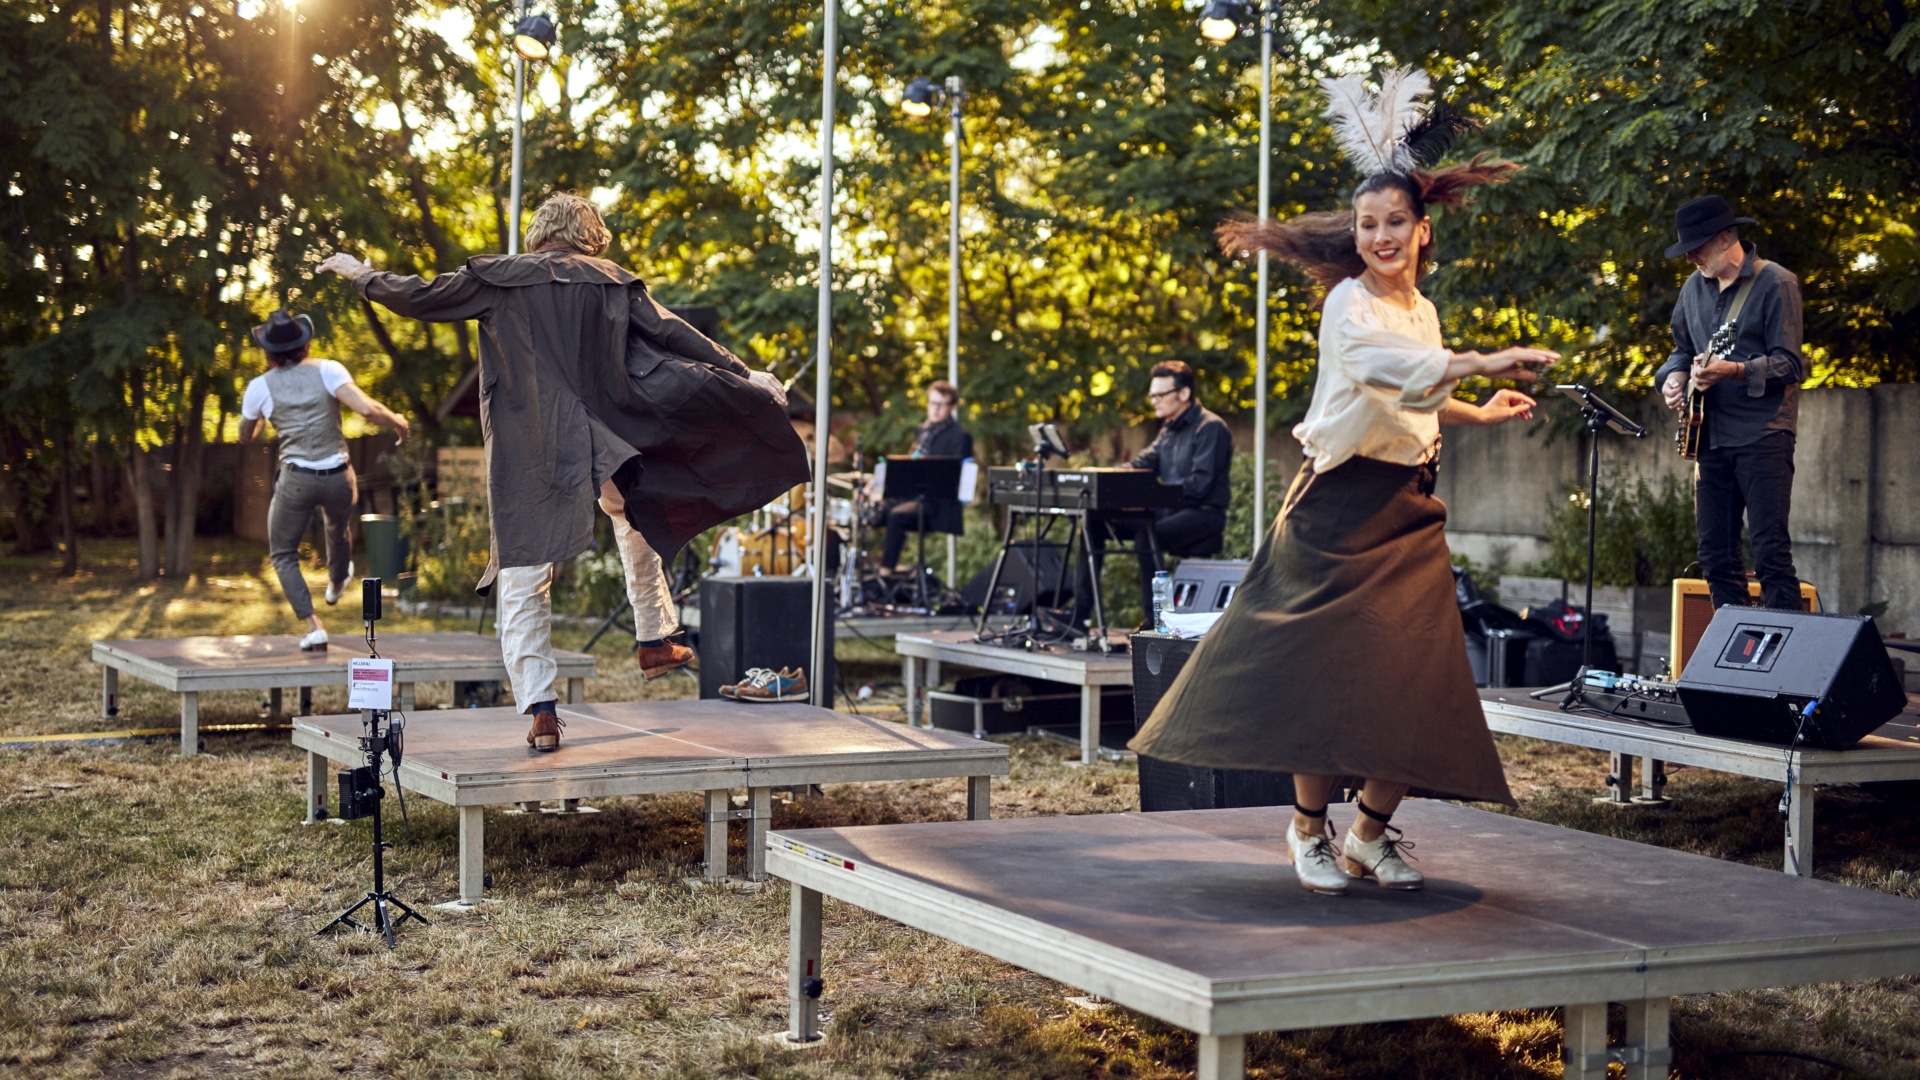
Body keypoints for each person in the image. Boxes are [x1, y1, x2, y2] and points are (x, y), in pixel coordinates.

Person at [1131, 68, 1557, 896]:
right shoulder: (1349, 309)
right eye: (1367, 224)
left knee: (1417, 683)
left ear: (1422, 229)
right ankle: (1305, 832)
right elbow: (1382, 371)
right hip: (1334, 509)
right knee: (1320, 677)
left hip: (1407, 510)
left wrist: (1481, 411)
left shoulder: (1421, 311)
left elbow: (1417, 397)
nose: (1380, 236)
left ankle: (1367, 834)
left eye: (1395, 222)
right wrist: (1484, 358)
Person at [320, 193, 810, 751]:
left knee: (526, 565)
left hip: (536, 438)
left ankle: (542, 711)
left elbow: (419, 297)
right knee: (637, 516)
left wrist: (362, 275)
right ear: (589, 233)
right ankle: (653, 638)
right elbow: (677, 335)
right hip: (611, 427)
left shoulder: (502, 279)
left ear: (540, 231)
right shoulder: (611, 280)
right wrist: (744, 374)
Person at [1654, 195, 1805, 611]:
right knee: (1715, 559)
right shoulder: (1692, 289)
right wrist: (1673, 378)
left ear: (1725, 238)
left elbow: (1791, 365)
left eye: (1696, 250)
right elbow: (1680, 350)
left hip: (1763, 434)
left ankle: (1784, 667)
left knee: (1771, 555)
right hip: (1710, 438)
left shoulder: (1777, 283)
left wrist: (1732, 371)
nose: (1690, 261)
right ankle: (1733, 663)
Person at [238, 309, 411, 651]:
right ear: (305, 343)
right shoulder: (329, 370)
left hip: (296, 481)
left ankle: (314, 626)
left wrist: (257, 421)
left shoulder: (259, 387)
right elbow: (366, 409)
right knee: (337, 528)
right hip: (338, 478)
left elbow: (246, 434)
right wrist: (398, 422)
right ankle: (336, 581)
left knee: (283, 553)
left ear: (268, 351)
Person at [1068, 360, 1232, 633]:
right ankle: (1079, 617)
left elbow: (1200, 485)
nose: (1154, 401)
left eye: (1160, 395)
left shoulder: (1211, 427)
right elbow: (1141, 463)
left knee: (1147, 534)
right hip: (1168, 511)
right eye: (1152, 395)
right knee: (1093, 525)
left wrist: (1153, 494)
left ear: (1183, 394)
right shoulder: (1167, 430)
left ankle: (1157, 621)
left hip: (1203, 514)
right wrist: (1102, 476)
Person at [877, 379, 974, 573]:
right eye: (932, 403)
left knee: (897, 516)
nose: (935, 409)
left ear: (952, 407)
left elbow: (962, 479)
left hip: (939, 505)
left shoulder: (960, 436)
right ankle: (878, 571)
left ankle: (886, 572)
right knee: (878, 511)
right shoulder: (922, 431)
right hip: (915, 497)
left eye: (941, 404)